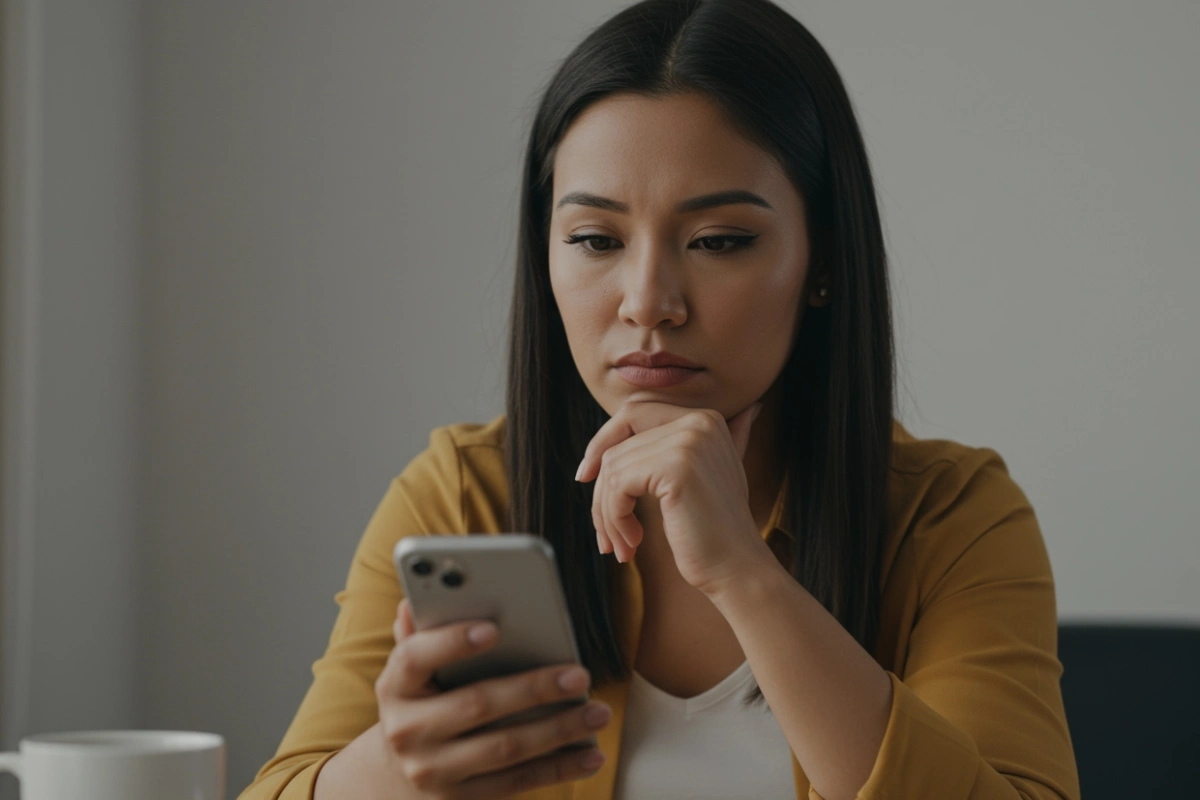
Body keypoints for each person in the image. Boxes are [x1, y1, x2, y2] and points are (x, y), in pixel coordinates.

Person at [239, 0, 1080, 798]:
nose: (648, 301)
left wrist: (744, 576)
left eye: (719, 241)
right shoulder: (467, 493)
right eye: (596, 240)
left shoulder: (951, 518)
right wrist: (393, 767)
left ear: (821, 261)